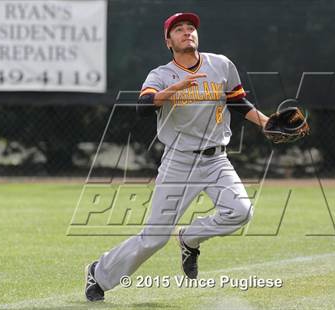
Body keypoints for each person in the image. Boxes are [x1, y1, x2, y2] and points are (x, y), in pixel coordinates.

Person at [85, 12, 270, 302]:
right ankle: (99, 273)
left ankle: (190, 238)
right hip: (179, 162)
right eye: (179, 29)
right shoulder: (161, 75)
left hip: (217, 159)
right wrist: (172, 91)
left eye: (191, 28)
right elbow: (143, 105)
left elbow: (236, 101)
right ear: (168, 41)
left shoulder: (220, 64)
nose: (187, 32)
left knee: (241, 212)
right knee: (154, 239)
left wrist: (267, 123)